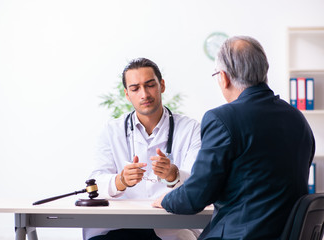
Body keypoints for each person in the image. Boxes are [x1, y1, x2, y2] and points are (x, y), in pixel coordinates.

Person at [152, 36, 316, 240]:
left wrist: (166, 199)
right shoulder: (297, 119)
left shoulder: (222, 119)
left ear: (224, 77)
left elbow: (195, 196)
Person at [83, 58, 202, 240]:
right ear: (127, 94)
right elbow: (95, 182)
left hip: (171, 228)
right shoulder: (111, 131)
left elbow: (200, 183)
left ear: (162, 85)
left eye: (150, 85)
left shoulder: (191, 129)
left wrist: (173, 175)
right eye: (135, 88)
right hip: (119, 229)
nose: (144, 94)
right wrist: (120, 180)